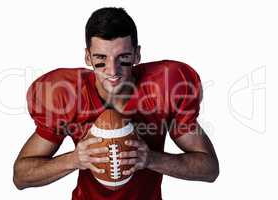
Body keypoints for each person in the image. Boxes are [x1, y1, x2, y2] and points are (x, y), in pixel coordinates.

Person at [13, 7, 219, 200]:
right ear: (88, 57)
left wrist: (151, 159)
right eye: (101, 58)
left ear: (137, 54)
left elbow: (209, 169)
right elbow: (21, 176)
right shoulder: (67, 95)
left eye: (123, 58)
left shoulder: (164, 88)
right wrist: (74, 159)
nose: (112, 71)